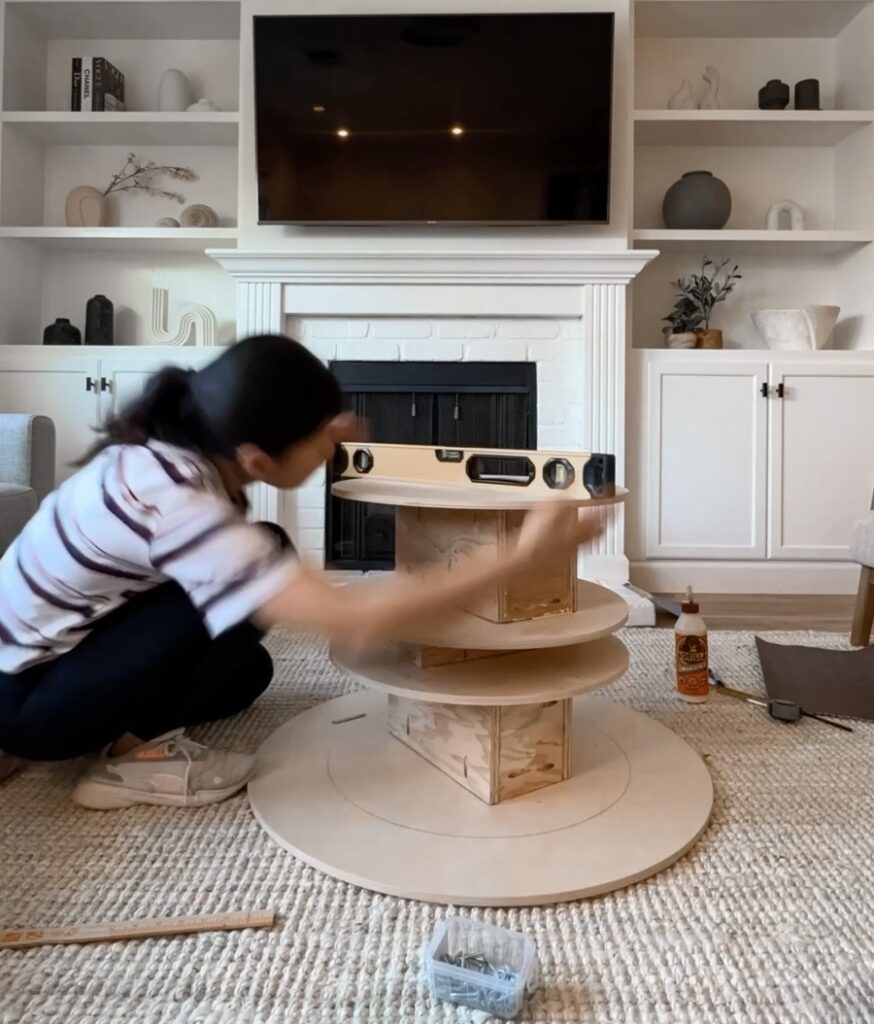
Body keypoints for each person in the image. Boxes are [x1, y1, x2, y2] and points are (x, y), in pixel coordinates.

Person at [0, 334, 602, 810]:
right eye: (320, 439)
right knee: (261, 569)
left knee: (249, 668)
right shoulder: (176, 505)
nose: (331, 449)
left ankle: (127, 727)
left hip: (56, 653)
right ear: (256, 459)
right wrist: (520, 556)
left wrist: (320, 426)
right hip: (27, 702)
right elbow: (353, 621)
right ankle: (124, 766)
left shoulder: (171, 446)